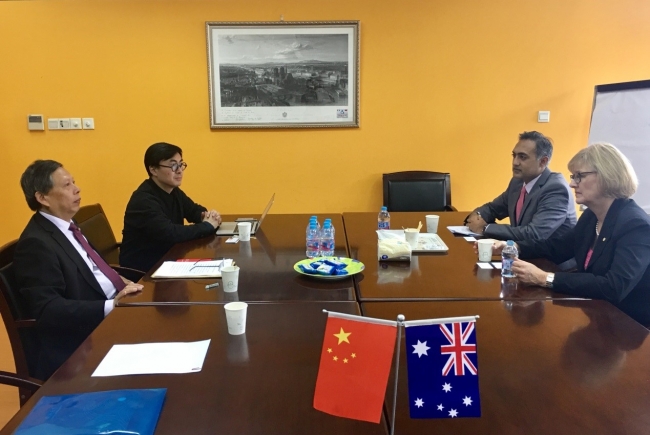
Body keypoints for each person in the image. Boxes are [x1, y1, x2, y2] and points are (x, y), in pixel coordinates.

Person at [490, 143, 650, 326]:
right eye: (573, 177)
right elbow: (557, 247)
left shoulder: (635, 225)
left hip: (629, 326)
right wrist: (514, 246)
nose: (572, 184)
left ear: (607, 176)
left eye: (579, 176)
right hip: (596, 314)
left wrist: (544, 278)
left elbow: (614, 286)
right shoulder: (591, 216)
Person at [14, 160, 143, 380]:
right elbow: (48, 309)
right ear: (42, 198)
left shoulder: (69, 225)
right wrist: (111, 305)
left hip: (114, 310)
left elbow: (93, 269)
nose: (77, 189)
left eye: (74, 182)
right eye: (67, 185)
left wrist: (122, 281)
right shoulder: (36, 244)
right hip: (83, 342)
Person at [120, 142, 222, 272]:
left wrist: (206, 216)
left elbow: (193, 210)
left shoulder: (172, 191)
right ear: (153, 170)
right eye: (173, 165)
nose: (179, 170)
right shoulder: (143, 200)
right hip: (145, 270)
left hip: (169, 260)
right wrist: (207, 226)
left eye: (180, 164)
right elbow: (171, 233)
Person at [465, 131, 577, 240]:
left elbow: (534, 234)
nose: (515, 162)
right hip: (521, 249)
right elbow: (493, 208)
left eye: (522, 157)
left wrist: (485, 228)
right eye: (514, 155)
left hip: (549, 252)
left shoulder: (555, 189)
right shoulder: (517, 182)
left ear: (543, 161)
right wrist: (477, 216)